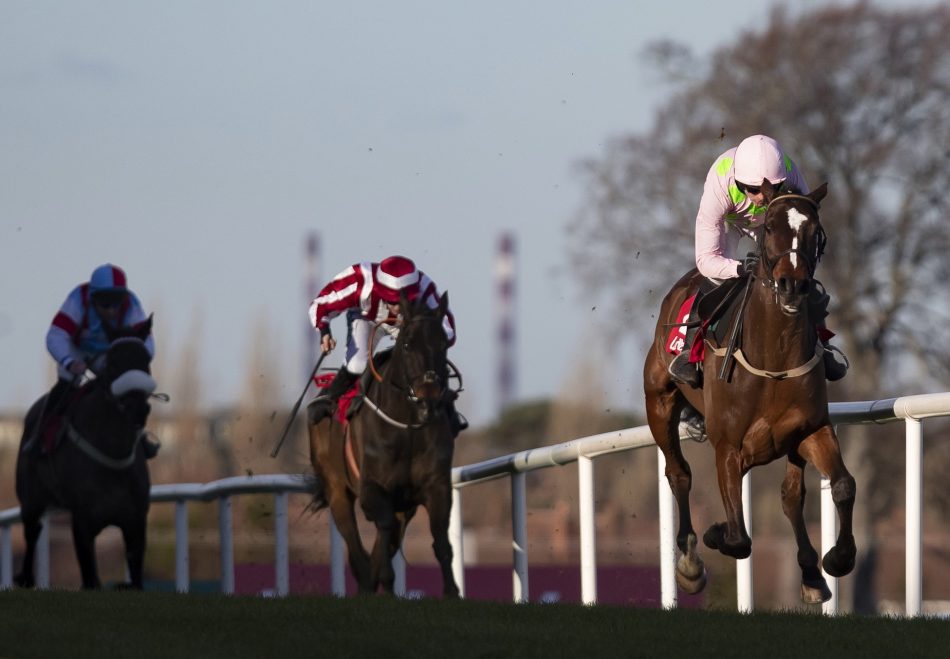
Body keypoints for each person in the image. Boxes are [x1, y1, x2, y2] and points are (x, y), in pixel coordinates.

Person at [669, 134, 848, 387]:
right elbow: (706, 260)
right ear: (740, 183)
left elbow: (803, 230)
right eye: (754, 190)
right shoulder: (720, 185)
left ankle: (823, 343)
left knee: (796, 273)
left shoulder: (790, 174)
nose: (762, 198)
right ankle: (689, 351)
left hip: (772, 223)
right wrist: (739, 268)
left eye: (771, 188)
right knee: (716, 277)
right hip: (729, 222)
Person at [307, 255, 465, 434]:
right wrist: (324, 331)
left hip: (407, 324)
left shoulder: (424, 288)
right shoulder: (360, 280)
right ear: (380, 290)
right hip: (367, 318)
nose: (397, 307)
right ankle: (329, 396)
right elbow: (320, 304)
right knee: (357, 364)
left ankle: (446, 410)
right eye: (392, 301)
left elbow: (447, 326)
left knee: (422, 361)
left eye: (404, 300)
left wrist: (430, 343)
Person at [23, 263, 159, 457]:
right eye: (105, 303)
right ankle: (41, 435)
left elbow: (146, 342)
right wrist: (70, 362)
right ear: (92, 298)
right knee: (66, 383)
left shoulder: (131, 304)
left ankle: (139, 436)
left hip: (108, 354)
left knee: (129, 391)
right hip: (76, 351)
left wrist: (135, 364)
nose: (112, 310)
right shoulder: (78, 299)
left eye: (116, 302)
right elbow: (56, 335)